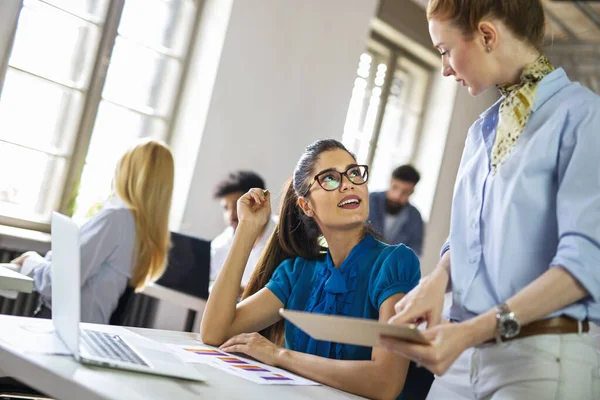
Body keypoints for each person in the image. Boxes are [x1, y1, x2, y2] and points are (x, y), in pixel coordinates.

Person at [379, 1, 600, 399]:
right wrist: (437, 281)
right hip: (462, 355)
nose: (445, 67)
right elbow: (467, 237)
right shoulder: (482, 130)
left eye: (445, 50)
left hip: (541, 358)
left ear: (486, 35)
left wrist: (471, 331)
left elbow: (585, 264)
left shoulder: (584, 118)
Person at [201, 139, 421, 399]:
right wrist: (247, 229)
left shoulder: (395, 263)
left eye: (353, 173)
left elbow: (385, 383)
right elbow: (215, 332)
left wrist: (279, 355)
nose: (349, 183)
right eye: (329, 178)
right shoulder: (297, 272)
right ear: (306, 205)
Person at [11, 139, 175, 324]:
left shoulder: (115, 219)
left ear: (127, 174)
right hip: (90, 329)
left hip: (64, 329)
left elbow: (58, 283)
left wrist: (31, 261)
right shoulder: (141, 229)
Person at [211, 171, 278, 289]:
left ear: (258, 201)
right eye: (225, 208)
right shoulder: (220, 244)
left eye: (237, 205)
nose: (230, 215)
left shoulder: (286, 236)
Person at [369, 165, 424, 255]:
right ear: (390, 182)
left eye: (405, 192)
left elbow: (415, 252)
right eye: (395, 188)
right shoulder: (368, 201)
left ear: (412, 192)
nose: (397, 196)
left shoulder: (415, 218)